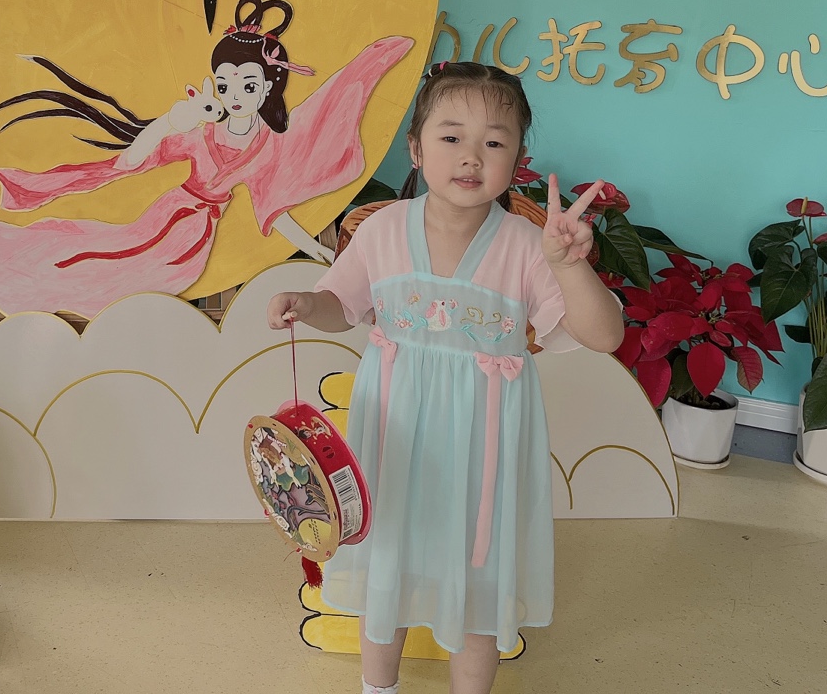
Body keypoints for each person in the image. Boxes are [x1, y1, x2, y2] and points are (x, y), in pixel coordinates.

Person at [266, 61, 622, 694]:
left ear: (518, 159)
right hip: (394, 436)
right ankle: (379, 688)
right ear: (416, 147)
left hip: (483, 449)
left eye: (495, 142)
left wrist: (570, 265)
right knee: (388, 563)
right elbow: (339, 305)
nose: (471, 156)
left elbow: (605, 336)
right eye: (451, 136)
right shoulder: (382, 230)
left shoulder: (526, 245)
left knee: (478, 576)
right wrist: (305, 301)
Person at [0, 0, 414, 317]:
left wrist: (320, 254)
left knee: (108, 276)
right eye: (225, 82)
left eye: (247, 84)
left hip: (193, 242)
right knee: (75, 255)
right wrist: (171, 122)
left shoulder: (267, 147)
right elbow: (132, 160)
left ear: (268, 87)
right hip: (164, 217)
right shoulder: (198, 131)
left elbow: (275, 211)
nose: (234, 93)